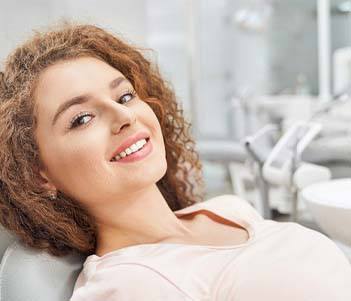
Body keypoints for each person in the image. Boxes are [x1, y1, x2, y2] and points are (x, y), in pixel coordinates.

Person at [0, 23, 350, 301]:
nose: (124, 115)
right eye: (82, 119)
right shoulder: (126, 285)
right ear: (39, 175)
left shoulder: (229, 209)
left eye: (124, 95)